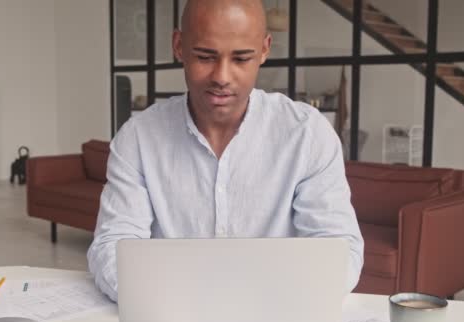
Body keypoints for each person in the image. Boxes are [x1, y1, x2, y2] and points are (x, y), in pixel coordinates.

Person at [88, 0, 364, 302]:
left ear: (264, 49)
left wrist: (257, 300)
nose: (221, 76)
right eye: (205, 57)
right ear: (179, 46)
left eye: (241, 59)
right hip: (171, 319)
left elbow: (340, 252)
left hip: (275, 319)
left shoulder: (307, 134)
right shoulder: (138, 138)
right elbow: (112, 248)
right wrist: (185, 301)